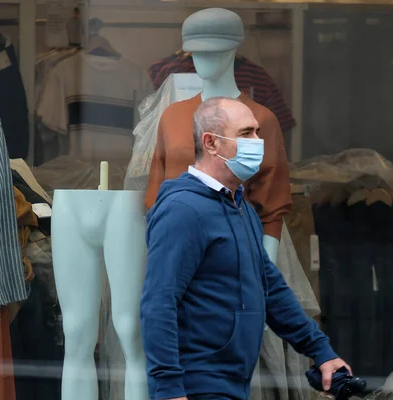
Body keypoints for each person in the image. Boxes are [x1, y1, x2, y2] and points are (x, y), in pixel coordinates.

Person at [140, 97, 350, 400]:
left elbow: (270, 287)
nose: (258, 142)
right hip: (196, 387)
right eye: (246, 133)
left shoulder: (239, 205)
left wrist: (321, 351)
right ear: (211, 143)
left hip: (233, 384)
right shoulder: (183, 209)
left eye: (257, 132)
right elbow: (158, 302)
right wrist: (169, 388)